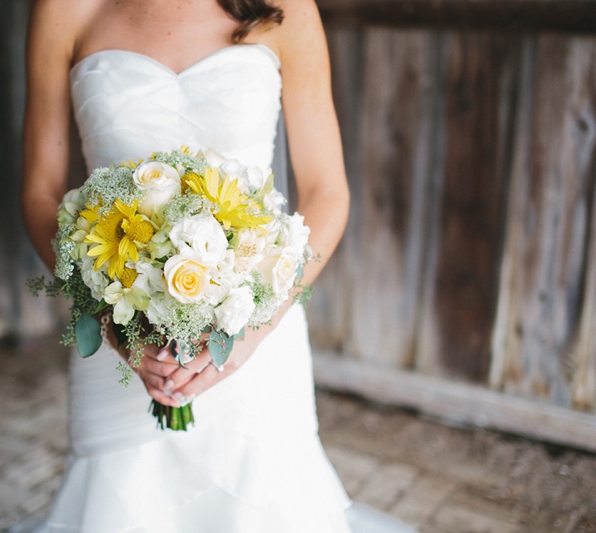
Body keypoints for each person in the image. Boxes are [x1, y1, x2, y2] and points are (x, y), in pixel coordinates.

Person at [22, 0, 417, 531]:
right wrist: (117, 327)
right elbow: (40, 191)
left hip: (255, 330)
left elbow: (327, 192)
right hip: (117, 329)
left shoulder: (287, 8)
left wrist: (252, 327)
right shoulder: (64, 8)